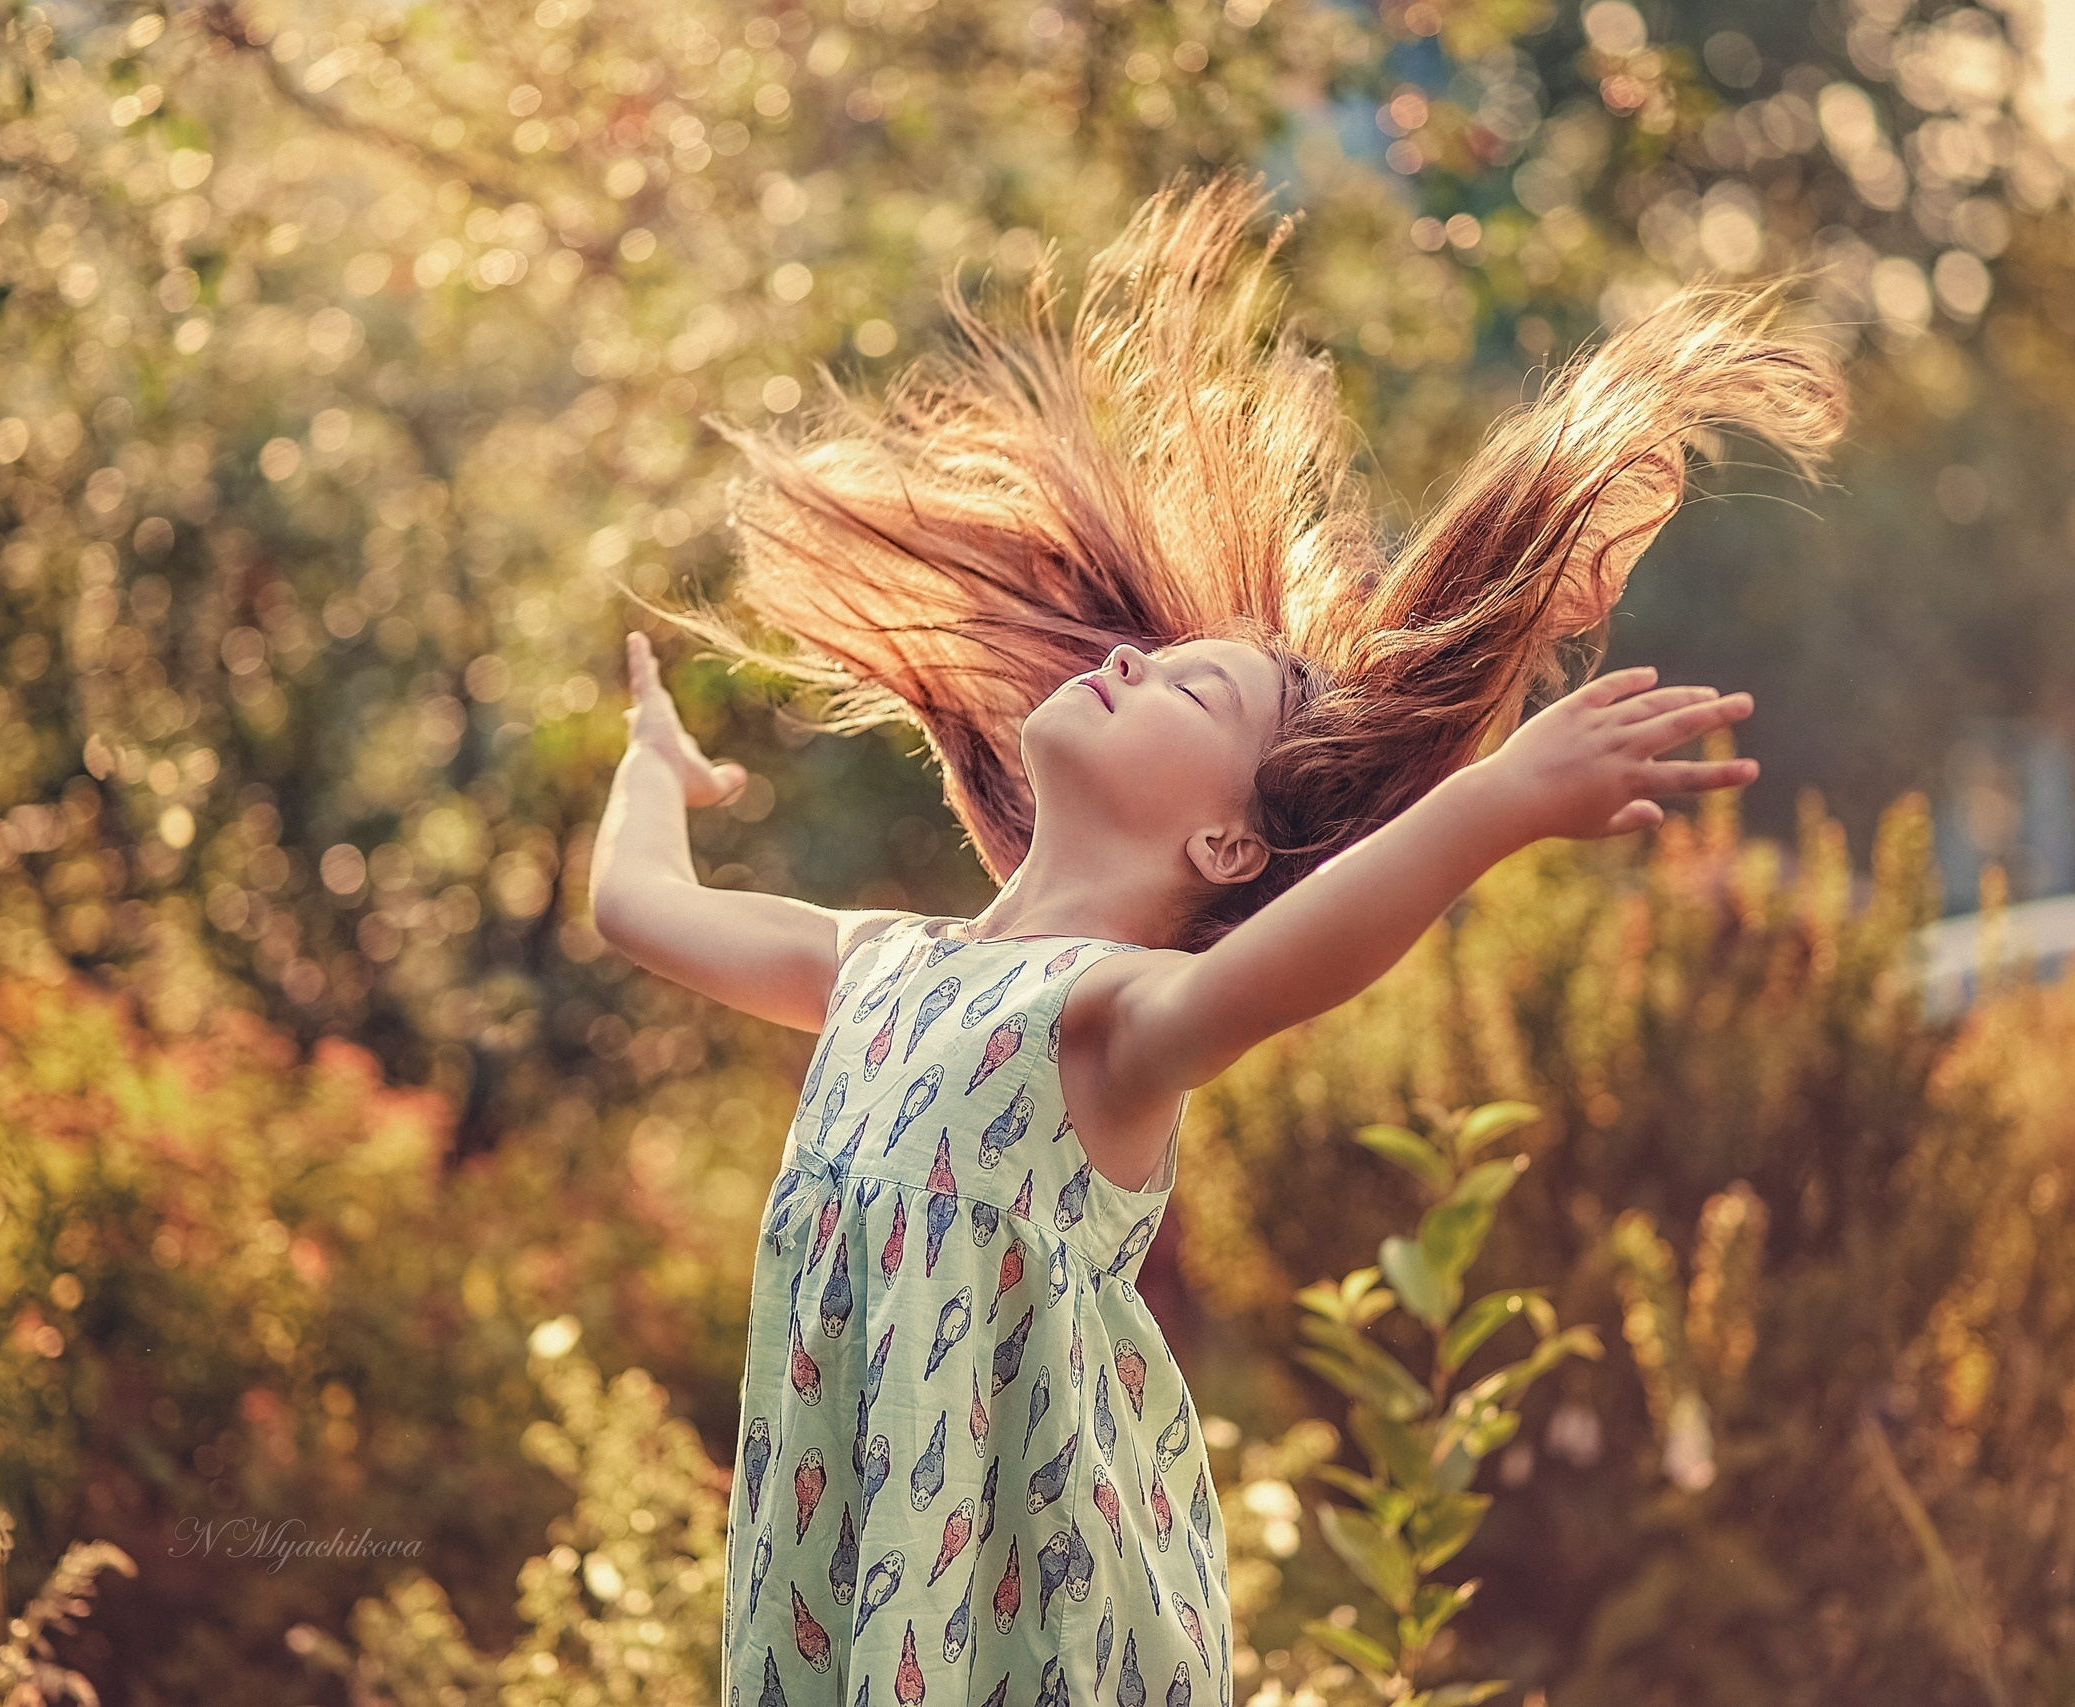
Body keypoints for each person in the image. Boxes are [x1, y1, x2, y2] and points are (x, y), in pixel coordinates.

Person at [585, 173, 1844, 1706]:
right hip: (854, 1618)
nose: (1130, 658)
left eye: (1191, 687)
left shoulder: (1111, 1022)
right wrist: (651, 773)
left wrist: (1499, 802)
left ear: (1228, 847)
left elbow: (1288, 967)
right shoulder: (881, 969)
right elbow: (638, 909)